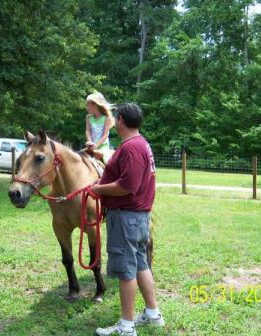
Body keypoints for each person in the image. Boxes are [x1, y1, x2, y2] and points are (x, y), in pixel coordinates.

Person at [91, 103, 164, 336]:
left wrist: (99, 189)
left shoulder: (132, 147)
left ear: (120, 120)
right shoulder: (140, 144)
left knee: (127, 270)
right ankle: (152, 314)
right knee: (140, 263)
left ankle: (126, 325)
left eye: (115, 119)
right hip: (138, 217)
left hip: (127, 218)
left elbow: (128, 186)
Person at [85, 92, 115, 163]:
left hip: (103, 147)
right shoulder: (88, 117)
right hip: (91, 146)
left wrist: (96, 145)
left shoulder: (106, 118)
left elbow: (105, 135)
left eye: (88, 106)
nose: (87, 108)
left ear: (95, 106)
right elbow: (88, 131)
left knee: (106, 162)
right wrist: (89, 142)